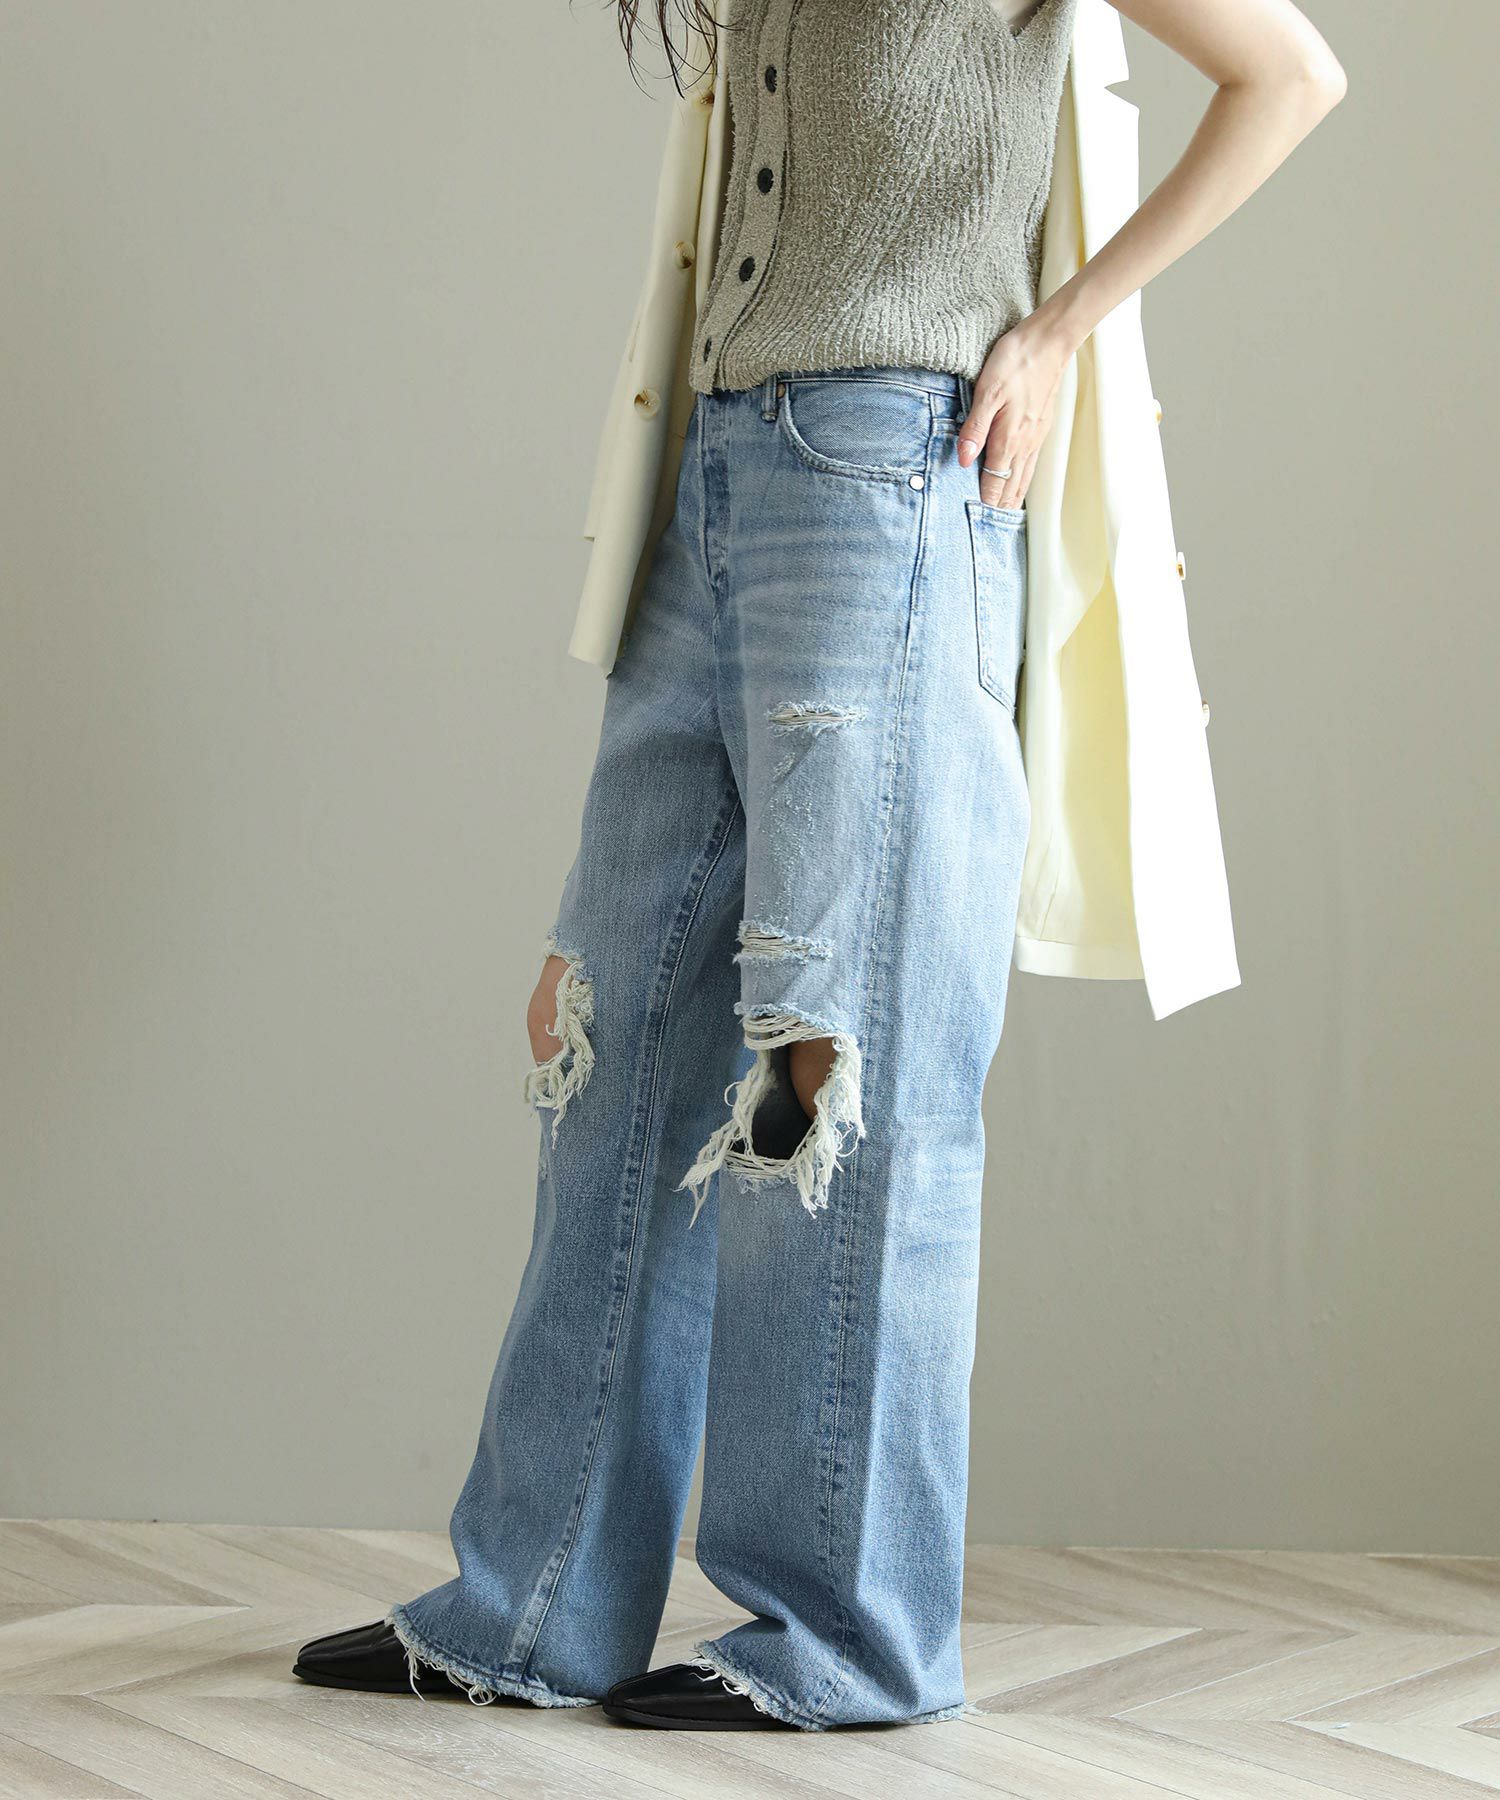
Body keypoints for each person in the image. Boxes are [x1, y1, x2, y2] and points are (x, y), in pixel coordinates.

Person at [293, 0, 1345, 1731]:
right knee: (612, 1048)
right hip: (711, 481)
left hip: (891, 475)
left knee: (842, 1068)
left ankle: (847, 1639)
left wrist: (1061, 330)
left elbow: (1289, 73)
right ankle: (532, 1608)